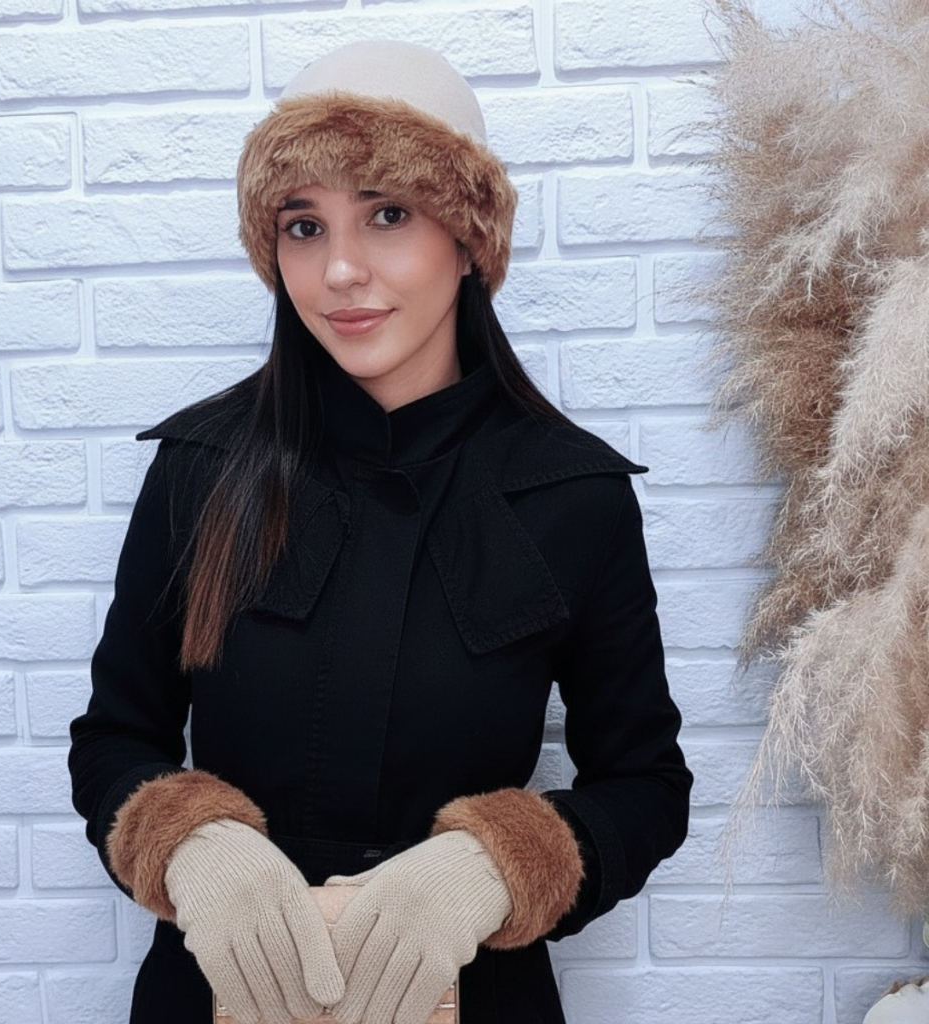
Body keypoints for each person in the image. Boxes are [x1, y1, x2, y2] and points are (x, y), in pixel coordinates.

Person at [68, 39, 692, 1024]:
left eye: (388, 214)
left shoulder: (573, 494)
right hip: (218, 998)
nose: (341, 269)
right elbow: (115, 737)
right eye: (303, 225)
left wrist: (495, 865)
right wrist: (188, 842)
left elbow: (646, 785)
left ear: (469, 237)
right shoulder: (199, 470)